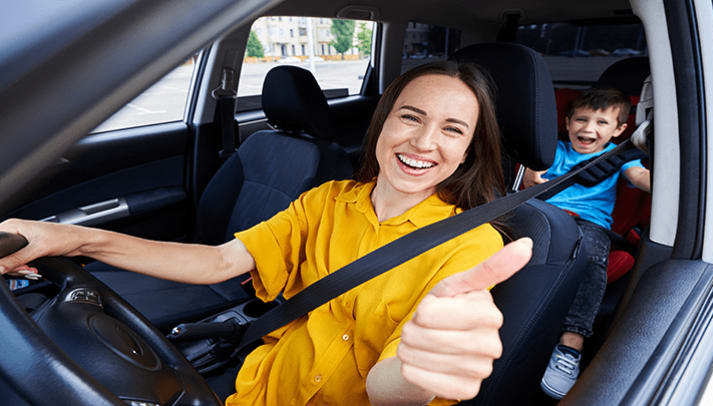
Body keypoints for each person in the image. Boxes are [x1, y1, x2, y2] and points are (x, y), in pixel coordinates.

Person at [0, 61, 533, 406]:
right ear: (383, 123)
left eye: (452, 129)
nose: (422, 142)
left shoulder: (472, 245)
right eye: (409, 117)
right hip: (258, 389)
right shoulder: (326, 201)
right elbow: (216, 264)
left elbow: (384, 390)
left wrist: (419, 371)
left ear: (468, 151)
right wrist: (73, 239)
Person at [523, 88, 650, 399]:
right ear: (567, 123)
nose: (588, 129)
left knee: (592, 260)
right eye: (581, 119)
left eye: (601, 123)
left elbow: (639, 177)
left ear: (620, 130)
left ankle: (571, 345)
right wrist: (531, 176)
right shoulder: (554, 151)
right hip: (544, 216)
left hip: (588, 225)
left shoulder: (620, 157)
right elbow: (530, 181)